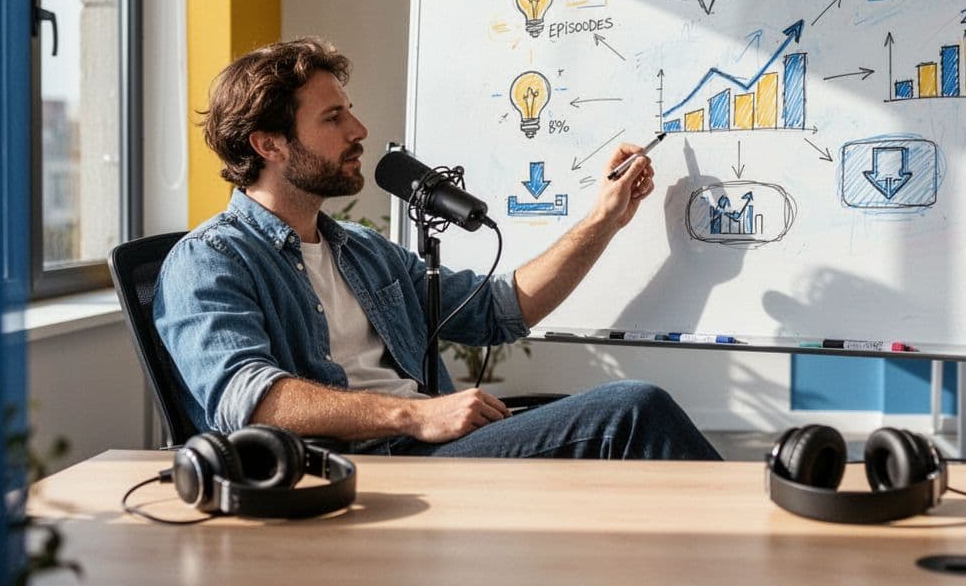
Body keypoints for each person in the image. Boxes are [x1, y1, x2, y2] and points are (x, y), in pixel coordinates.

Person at [154, 37, 721, 460]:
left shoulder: (362, 252)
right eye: (334, 117)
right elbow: (252, 402)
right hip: (365, 470)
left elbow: (500, 310)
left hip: (427, 447)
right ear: (269, 144)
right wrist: (417, 414)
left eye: (348, 110)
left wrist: (605, 219)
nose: (359, 129)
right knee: (633, 409)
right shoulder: (208, 262)